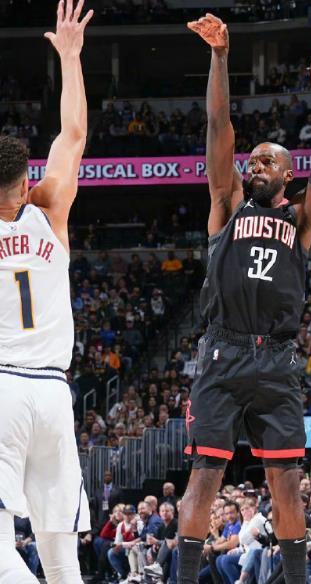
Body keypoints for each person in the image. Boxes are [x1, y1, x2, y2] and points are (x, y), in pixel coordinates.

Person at [180, 13, 311, 584]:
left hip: (277, 358)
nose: (255, 166)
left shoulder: (301, 218)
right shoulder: (226, 204)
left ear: (287, 173)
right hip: (223, 352)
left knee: (286, 484)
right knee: (204, 477)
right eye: (252, 161)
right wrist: (220, 56)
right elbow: (218, 123)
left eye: (266, 161)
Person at [0, 2, 93, 583]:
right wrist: (70, 56)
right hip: (55, 395)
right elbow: (74, 133)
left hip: (3, 388)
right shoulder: (51, 208)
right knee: (62, 561)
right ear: (27, 180)